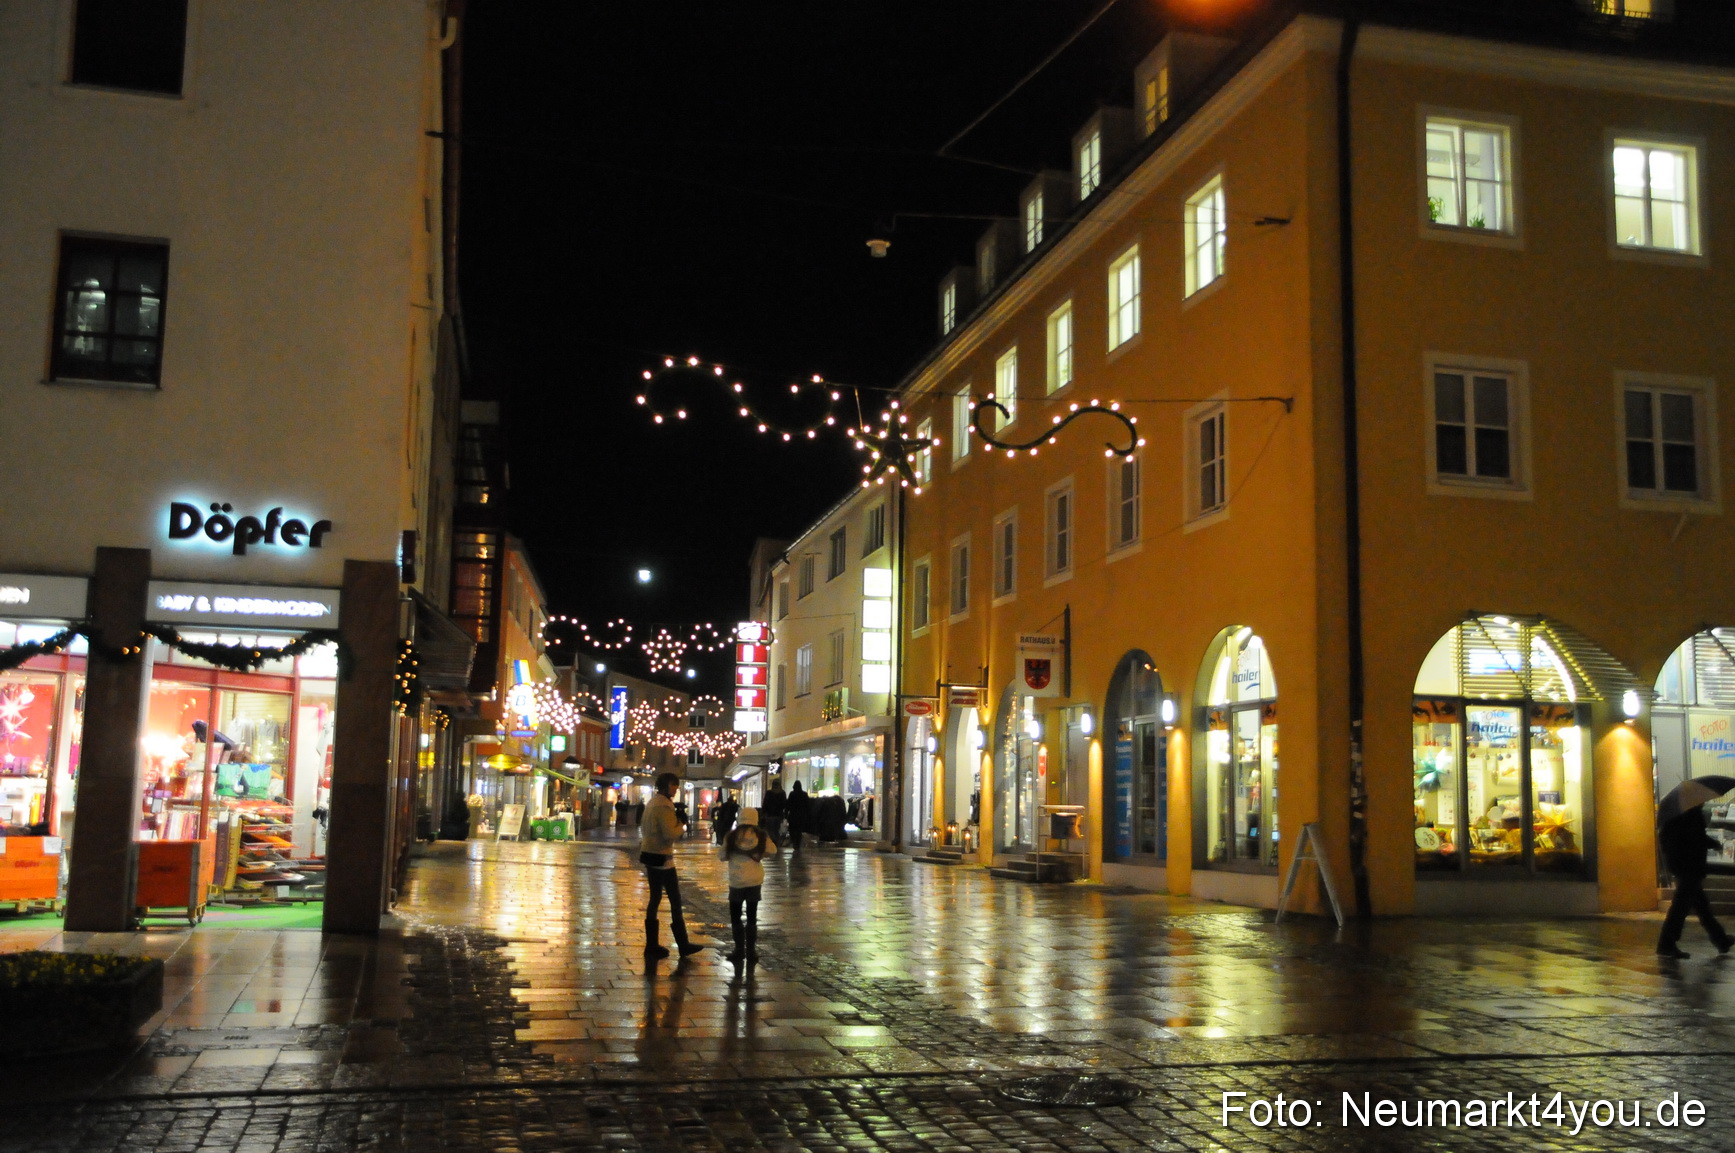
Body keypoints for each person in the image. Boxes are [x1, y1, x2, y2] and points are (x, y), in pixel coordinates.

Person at [638, 773, 704, 960]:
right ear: (666, 786)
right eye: (673, 786)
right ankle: (682, 944)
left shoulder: (652, 803)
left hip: (650, 854)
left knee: (655, 898)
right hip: (663, 858)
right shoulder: (664, 806)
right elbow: (670, 833)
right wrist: (681, 824)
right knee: (675, 900)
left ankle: (652, 945)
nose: (675, 789)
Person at [1658, 805, 1734, 959]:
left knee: (1701, 906)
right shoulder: (1689, 813)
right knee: (1680, 908)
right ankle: (1666, 944)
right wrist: (1712, 843)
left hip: (1685, 865)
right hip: (1689, 866)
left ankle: (1721, 940)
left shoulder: (1679, 813)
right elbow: (1694, 838)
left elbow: (1691, 837)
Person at [717, 807, 777, 964]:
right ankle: (751, 951)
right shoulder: (761, 836)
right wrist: (760, 854)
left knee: (735, 917)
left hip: (736, 882)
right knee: (752, 917)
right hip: (754, 881)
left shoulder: (732, 836)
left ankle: (739, 950)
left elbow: (721, 856)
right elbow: (773, 850)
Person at [785, 780, 812, 851]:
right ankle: (797, 843)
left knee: (792, 830)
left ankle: (794, 842)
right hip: (801, 816)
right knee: (799, 831)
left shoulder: (792, 794)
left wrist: (785, 814)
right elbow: (808, 806)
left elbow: (788, 805)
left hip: (793, 816)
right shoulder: (804, 794)